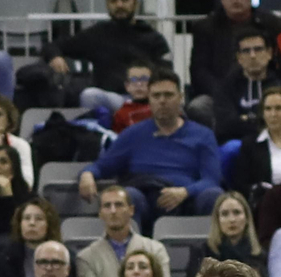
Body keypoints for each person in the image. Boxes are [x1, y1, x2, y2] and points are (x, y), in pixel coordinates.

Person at [77, 68, 223, 229]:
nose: (162, 101)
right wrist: (87, 174)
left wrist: (185, 192)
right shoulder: (133, 135)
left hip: (189, 201)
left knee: (213, 195)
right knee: (129, 196)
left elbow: (212, 179)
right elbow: (102, 166)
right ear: (149, 100)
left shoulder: (203, 135)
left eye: (168, 95)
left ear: (180, 98)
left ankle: (212, 252)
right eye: (156, 96)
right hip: (147, 201)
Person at [25, 0, 170, 113]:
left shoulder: (154, 38)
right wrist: (55, 56)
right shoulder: (97, 34)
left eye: (124, 0)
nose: (119, 5)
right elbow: (53, 45)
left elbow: (166, 73)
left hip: (146, 101)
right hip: (110, 99)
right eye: (114, 1)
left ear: (135, 4)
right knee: (90, 95)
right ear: (107, 5)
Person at [75, 184, 172, 277]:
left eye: (119, 205)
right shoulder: (87, 257)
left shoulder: (155, 249)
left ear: (131, 210)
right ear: (100, 213)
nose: (113, 211)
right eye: (107, 206)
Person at [188, 0, 280, 102]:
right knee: (199, 106)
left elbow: (278, 64)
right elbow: (199, 71)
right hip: (218, 93)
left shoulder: (271, 24)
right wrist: (222, 92)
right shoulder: (204, 27)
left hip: (265, 91)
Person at [203, 27, 281, 143]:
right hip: (236, 145)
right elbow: (225, 125)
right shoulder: (225, 87)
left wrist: (245, 119)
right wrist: (261, 121)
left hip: (274, 143)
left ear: (269, 53)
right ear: (239, 57)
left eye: (258, 49)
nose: (253, 56)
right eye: (246, 51)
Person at [180, 191, 268, 277]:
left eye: (237, 213)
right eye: (225, 214)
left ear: (247, 218)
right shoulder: (202, 252)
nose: (232, 220)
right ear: (217, 220)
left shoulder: (259, 254)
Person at [231, 87, 281, 202]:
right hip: (265, 204)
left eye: (278, 108)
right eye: (268, 109)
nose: (273, 114)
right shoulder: (250, 145)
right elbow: (241, 184)